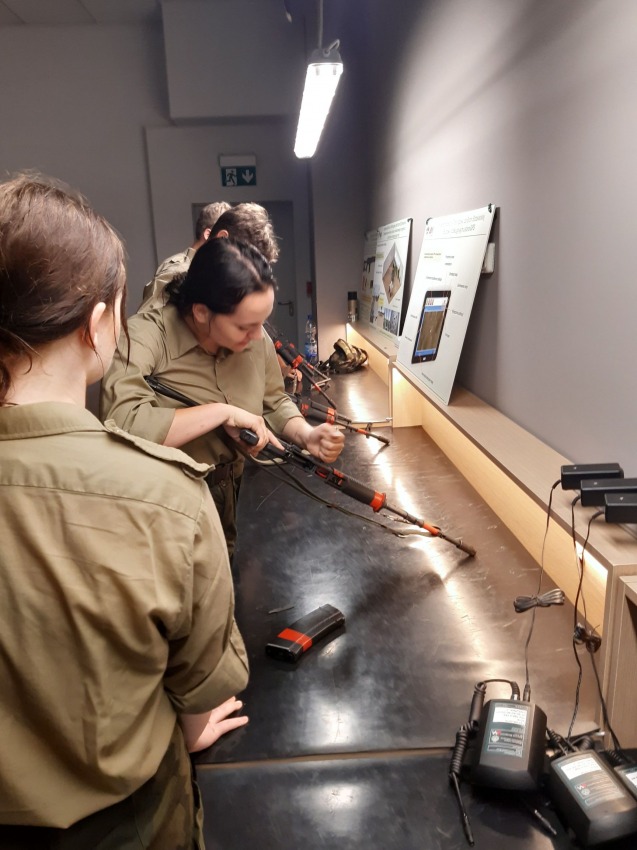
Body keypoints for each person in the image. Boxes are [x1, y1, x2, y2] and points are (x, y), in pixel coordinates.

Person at [0, 173, 248, 849]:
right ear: (97, 324)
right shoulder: (168, 498)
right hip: (128, 826)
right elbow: (198, 691)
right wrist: (191, 728)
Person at [101, 236, 344, 561]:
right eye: (245, 326)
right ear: (202, 312)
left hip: (226, 496)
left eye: (261, 323)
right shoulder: (146, 336)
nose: (258, 336)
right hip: (163, 506)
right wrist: (220, 413)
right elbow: (122, 422)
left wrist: (306, 435)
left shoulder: (253, 336)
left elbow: (273, 400)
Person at [139, 201, 278, 313]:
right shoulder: (179, 272)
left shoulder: (213, 276)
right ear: (221, 237)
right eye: (245, 264)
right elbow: (149, 325)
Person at [139, 200, 230, 310]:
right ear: (208, 234)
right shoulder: (179, 269)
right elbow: (147, 315)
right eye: (225, 238)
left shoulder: (206, 268)